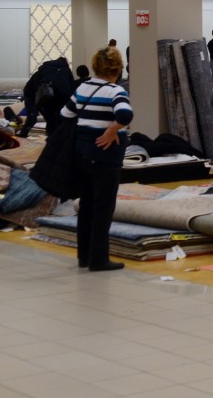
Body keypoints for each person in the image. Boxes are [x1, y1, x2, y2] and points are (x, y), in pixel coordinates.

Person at [61, 46, 132, 272]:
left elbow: (65, 113)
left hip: (82, 154)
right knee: (103, 207)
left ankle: (84, 256)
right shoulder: (115, 91)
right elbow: (125, 115)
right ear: (118, 68)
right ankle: (99, 259)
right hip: (105, 157)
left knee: (88, 206)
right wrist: (112, 131)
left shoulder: (83, 87)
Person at [18, 56, 75, 137]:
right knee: (58, 119)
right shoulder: (66, 71)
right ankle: (55, 139)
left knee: (44, 118)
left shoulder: (45, 68)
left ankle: (49, 139)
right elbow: (71, 87)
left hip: (42, 95)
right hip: (57, 96)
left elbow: (34, 84)